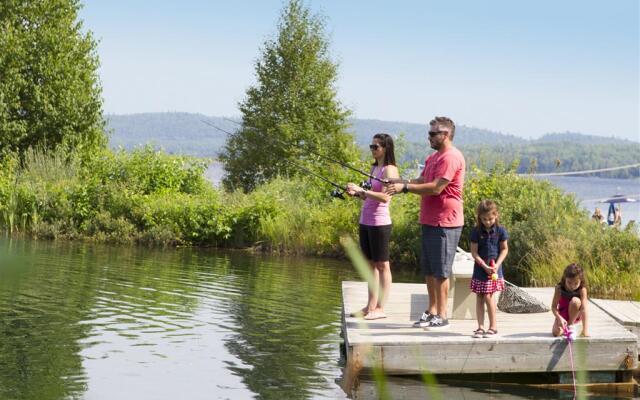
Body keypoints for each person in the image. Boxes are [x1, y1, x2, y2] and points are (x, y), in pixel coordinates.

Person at [385, 116, 465, 330]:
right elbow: (422, 181)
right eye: (429, 133)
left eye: (432, 133)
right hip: (429, 220)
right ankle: (432, 311)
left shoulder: (451, 157)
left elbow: (436, 188)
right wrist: (400, 182)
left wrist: (406, 189)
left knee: (441, 272)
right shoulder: (433, 158)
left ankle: (443, 315)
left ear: (445, 135)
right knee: (429, 270)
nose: (428, 137)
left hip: (445, 223)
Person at [346, 133, 400, 320]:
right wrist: (357, 193)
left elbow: (386, 196)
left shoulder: (390, 170)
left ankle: (380, 308)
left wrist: (363, 190)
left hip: (380, 222)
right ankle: (370, 306)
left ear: (385, 148)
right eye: (371, 146)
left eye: (375, 147)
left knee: (383, 265)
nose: (372, 149)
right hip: (365, 220)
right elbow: (368, 194)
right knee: (370, 266)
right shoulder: (374, 168)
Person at [469, 200, 508, 338]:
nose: (487, 222)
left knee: (488, 296)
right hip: (480, 269)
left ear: (496, 215)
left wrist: (496, 265)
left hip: (494, 270)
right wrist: (483, 266)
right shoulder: (476, 231)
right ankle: (480, 327)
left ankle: (493, 327)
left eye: (490, 219)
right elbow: (474, 252)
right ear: (479, 217)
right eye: (484, 219)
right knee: (479, 297)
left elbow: (504, 249)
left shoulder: (501, 231)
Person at [551, 263, 590, 338]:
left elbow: (584, 309)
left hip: (575, 315)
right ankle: (569, 328)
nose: (572, 286)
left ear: (581, 281)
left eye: (576, 283)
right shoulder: (559, 288)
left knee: (575, 301)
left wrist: (585, 331)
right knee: (556, 332)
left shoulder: (582, 290)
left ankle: (571, 325)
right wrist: (559, 318)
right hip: (563, 315)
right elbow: (553, 307)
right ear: (565, 278)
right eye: (569, 282)